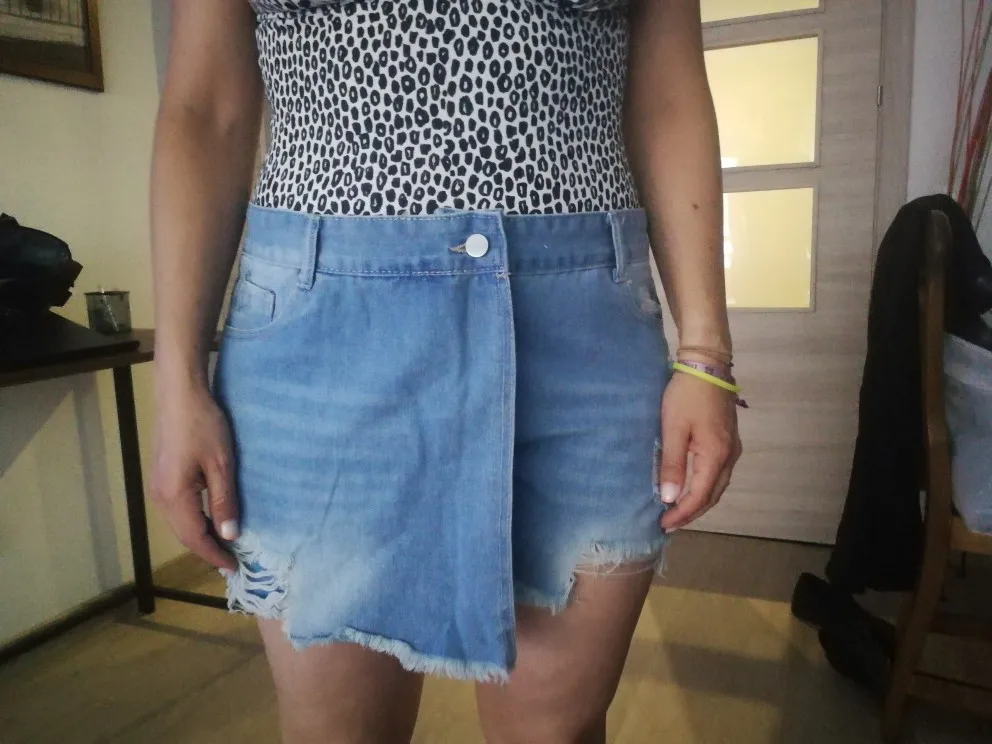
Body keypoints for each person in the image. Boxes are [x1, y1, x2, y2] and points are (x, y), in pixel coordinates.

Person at [149, 1, 741, 742]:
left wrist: (706, 354)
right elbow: (204, 109)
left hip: (581, 329)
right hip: (321, 336)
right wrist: (177, 379)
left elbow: (668, 97)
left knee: (556, 734)